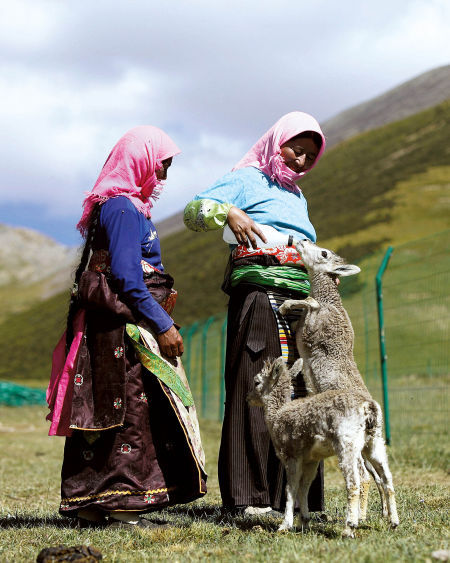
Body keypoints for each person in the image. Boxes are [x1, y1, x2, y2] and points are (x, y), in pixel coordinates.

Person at [47, 126, 206, 529]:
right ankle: (121, 506)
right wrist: (164, 323)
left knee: (103, 407)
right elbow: (127, 276)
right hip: (123, 325)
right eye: (161, 166)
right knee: (128, 406)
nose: (164, 177)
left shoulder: (124, 207)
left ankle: (89, 504)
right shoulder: (121, 208)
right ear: (139, 162)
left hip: (113, 323)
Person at [183, 111, 326, 516]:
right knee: (257, 390)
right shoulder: (247, 178)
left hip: (298, 301)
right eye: (295, 150)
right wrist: (229, 212)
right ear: (275, 143)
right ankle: (249, 499)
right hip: (260, 296)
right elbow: (195, 211)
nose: (300, 161)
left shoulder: (297, 196)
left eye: (309, 157)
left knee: (298, 396)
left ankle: (296, 498)